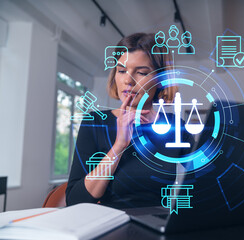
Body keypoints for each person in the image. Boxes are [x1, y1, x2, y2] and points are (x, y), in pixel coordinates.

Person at [66, 33, 193, 208]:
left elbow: (209, 181)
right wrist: (119, 146)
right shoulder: (95, 122)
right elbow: (75, 200)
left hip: (157, 226)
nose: (128, 80)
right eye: (122, 70)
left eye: (141, 72)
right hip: (109, 225)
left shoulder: (176, 127)